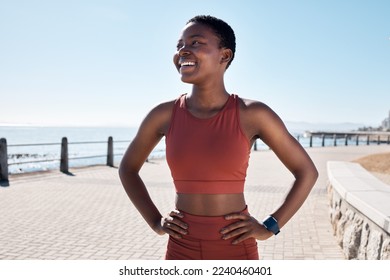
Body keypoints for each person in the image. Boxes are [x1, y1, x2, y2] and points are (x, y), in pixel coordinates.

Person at [119, 15, 318, 260]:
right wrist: (156, 222)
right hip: (181, 247)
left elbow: (307, 172)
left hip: (235, 246)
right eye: (180, 44)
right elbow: (128, 168)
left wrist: (270, 226)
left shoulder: (253, 114)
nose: (183, 50)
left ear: (224, 56)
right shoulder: (163, 115)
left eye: (195, 43)